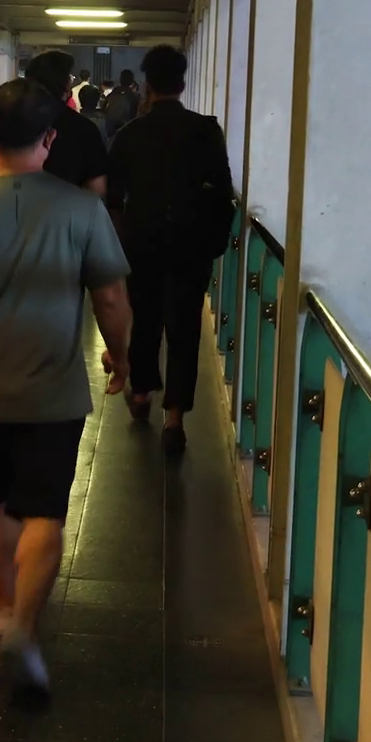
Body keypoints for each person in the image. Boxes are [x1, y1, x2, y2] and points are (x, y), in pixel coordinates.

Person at [0, 77, 133, 691]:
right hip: (54, 390)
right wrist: (121, 358)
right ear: (50, 138)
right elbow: (111, 297)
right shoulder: (82, 209)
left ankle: (5, 602)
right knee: (43, 512)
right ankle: (24, 625)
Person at [105, 45, 236, 454]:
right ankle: (175, 416)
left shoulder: (130, 135)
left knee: (144, 318)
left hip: (141, 241)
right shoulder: (205, 131)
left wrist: (123, 237)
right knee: (184, 327)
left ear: (148, 86)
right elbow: (223, 190)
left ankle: (141, 392)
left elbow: (113, 196)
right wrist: (213, 240)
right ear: (182, 83)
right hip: (190, 244)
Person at [24, 50, 109, 197]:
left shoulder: (13, 120)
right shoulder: (84, 128)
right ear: (64, 83)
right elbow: (97, 188)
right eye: (70, 77)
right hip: (72, 207)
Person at [102, 68, 140, 140]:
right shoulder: (133, 96)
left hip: (110, 128)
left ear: (120, 79)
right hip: (126, 129)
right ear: (131, 81)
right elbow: (134, 114)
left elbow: (104, 108)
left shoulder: (114, 92)